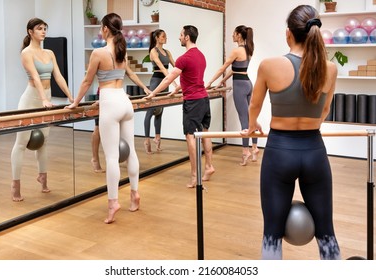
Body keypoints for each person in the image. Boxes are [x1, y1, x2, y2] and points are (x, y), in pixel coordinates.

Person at [242, 5, 341, 260]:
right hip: (314, 152)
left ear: (289, 34)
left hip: (279, 152)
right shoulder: (330, 69)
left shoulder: (269, 65)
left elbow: (254, 104)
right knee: (326, 232)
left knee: (272, 233)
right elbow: (325, 109)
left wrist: (252, 125)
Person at [66, 13, 149, 223]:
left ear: (105, 29)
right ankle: (134, 193)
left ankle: (113, 202)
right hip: (124, 101)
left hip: (110, 104)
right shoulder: (122, 49)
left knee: (112, 157)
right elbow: (121, 76)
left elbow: (87, 81)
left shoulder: (98, 52)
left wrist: (76, 102)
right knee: (130, 151)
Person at [11, 18, 73, 202]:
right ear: (30, 32)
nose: (43, 31)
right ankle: (15, 185)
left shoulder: (50, 52)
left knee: (44, 140)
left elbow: (58, 76)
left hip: (46, 98)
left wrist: (71, 96)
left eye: (45, 28)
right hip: (31, 99)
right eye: (39, 28)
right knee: (21, 142)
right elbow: (36, 78)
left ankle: (43, 178)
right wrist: (44, 99)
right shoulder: (26, 53)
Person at [145, 25, 215, 188]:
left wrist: (153, 93)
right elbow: (191, 79)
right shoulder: (201, 56)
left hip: (193, 102)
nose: (179, 37)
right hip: (204, 99)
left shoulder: (185, 58)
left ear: (187, 37)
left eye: (181, 35)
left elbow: (168, 78)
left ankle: (194, 176)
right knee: (205, 133)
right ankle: (209, 166)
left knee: (190, 136)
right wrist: (174, 91)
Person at [206, 25, 258, 166]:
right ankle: (254, 147)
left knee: (244, 120)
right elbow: (235, 70)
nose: (232, 36)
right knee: (250, 117)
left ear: (239, 35)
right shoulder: (249, 50)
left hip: (240, 86)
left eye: (234, 34)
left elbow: (223, 68)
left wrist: (210, 81)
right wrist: (221, 82)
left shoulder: (236, 51)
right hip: (248, 83)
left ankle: (245, 152)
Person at [143, 29, 177, 154]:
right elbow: (161, 67)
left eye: (165, 36)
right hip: (157, 82)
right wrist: (172, 82)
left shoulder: (167, 52)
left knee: (160, 111)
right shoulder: (153, 51)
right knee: (151, 111)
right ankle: (146, 140)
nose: (165, 38)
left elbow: (176, 66)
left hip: (165, 82)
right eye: (163, 36)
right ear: (157, 38)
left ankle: (157, 138)